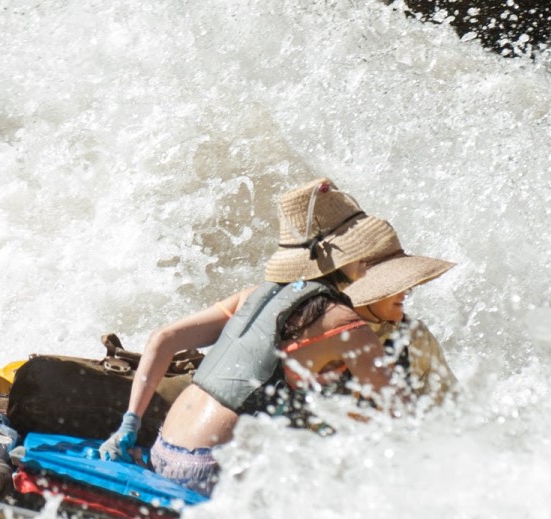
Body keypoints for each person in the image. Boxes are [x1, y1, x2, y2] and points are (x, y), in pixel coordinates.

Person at [97, 179, 454, 494]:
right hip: (211, 469)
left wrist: (130, 423)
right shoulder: (348, 326)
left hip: (163, 450)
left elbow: (163, 337)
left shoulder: (254, 295)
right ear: (328, 257)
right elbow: (403, 417)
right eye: (358, 250)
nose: (366, 259)